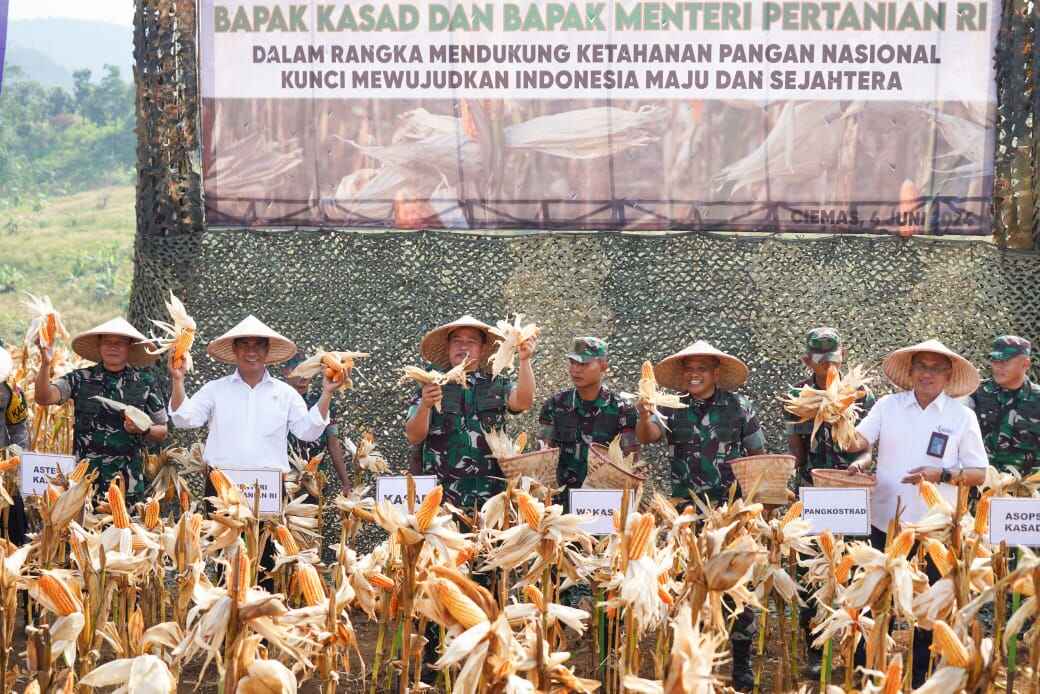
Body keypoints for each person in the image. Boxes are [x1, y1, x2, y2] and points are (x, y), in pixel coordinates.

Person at [845, 339, 987, 687]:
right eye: (921, 366)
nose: (927, 374)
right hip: (886, 523)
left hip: (936, 531)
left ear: (947, 374)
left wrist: (941, 475)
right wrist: (840, 420)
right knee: (877, 605)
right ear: (910, 372)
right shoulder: (887, 406)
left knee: (928, 609)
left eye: (935, 368)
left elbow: (978, 473)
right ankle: (872, 677)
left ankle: (921, 678)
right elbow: (856, 443)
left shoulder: (961, 416)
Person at [636, 339, 764, 691]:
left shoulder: (739, 407)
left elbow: (757, 453)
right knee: (687, 584)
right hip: (687, 512)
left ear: (715, 373)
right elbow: (648, 437)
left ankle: (740, 666)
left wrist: (757, 506)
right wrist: (646, 411)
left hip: (730, 510)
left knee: (737, 588)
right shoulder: (673, 407)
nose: (694, 375)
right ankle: (691, 662)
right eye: (689, 370)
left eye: (701, 370)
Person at [784, 327, 874, 675]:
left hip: (852, 494)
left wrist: (860, 464)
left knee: (853, 571)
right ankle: (814, 651)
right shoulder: (798, 397)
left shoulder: (863, 396)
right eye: (821, 362)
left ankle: (858, 651)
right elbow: (797, 451)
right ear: (808, 360)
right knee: (812, 575)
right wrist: (795, 481)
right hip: (815, 493)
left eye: (833, 361)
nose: (828, 367)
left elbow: (867, 447)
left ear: (843, 355)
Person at [405, 315, 536, 512]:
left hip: (493, 499)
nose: (463, 346)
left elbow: (523, 402)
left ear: (482, 349)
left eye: (471, 341)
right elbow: (414, 436)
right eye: (457, 341)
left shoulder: (497, 382)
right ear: (448, 347)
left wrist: (525, 361)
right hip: (441, 500)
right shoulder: (432, 383)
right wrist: (425, 405)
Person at [34, 318, 168, 500]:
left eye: (120, 343)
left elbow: (162, 431)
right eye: (107, 342)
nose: (113, 347)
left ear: (129, 347)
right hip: (85, 482)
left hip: (128, 484)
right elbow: (44, 397)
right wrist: (45, 363)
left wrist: (143, 429)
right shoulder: (80, 378)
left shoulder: (145, 382)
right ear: (99, 346)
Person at [537, 337, 639, 509]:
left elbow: (631, 464)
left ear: (603, 367)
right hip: (561, 506)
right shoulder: (555, 405)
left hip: (604, 506)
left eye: (584, 364)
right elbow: (542, 456)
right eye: (572, 362)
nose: (575, 369)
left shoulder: (622, 409)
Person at [281, 355, 352, 495]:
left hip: (315, 480)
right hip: (283, 479)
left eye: (308, 373)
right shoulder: (275, 401)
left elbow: (333, 443)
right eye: (299, 372)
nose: (304, 378)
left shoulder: (322, 402)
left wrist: (346, 482)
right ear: (286, 372)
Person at [969, 335, 1040, 474]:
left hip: (1026, 489)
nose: (998, 367)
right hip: (981, 485)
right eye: (995, 360)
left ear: (1025, 364)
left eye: (1005, 361)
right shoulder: (976, 393)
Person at [0, 341, 28, 544]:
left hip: (3, 464)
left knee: (13, 506)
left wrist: (16, 457)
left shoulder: (11, 390)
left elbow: (18, 428)